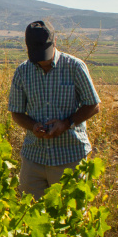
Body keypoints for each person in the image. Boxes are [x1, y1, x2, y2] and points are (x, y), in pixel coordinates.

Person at [8, 21, 101, 199]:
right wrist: (33, 126)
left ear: (55, 42)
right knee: (30, 215)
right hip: (34, 157)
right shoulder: (22, 72)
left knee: (70, 218)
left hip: (70, 156)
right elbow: (16, 112)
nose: (42, 61)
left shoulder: (74, 67)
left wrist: (66, 123)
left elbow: (93, 105)